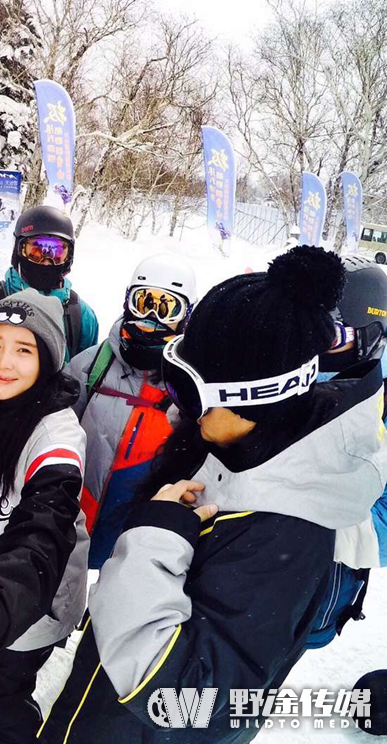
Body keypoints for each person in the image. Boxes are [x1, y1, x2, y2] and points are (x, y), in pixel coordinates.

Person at [38, 246, 387, 744]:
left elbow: (184, 701)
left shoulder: (283, 532)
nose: (174, 405)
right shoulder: (230, 455)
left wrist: (153, 544)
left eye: (187, 391)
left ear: (250, 399)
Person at [0, 288, 88, 743]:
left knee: (2, 696)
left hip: (27, 609)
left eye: (23, 349)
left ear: (47, 359)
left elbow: (41, 536)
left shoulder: (56, 437)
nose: (3, 364)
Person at [66, 253, 197, 567]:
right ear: (128, 302)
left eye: (167, 308)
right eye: (144, 302)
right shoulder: (92, 364)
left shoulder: (190, 382)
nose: (151, 316)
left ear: (185, 316)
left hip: (133, 532)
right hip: (72, 520)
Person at [306, 254, 387, 649]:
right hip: (240, 576)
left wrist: (319, 521)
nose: (313, 344)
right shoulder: (285, 371)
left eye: (332, 334)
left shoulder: (379, 405)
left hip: (318, 585)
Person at [0, 205, 98, 363]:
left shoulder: (80, 315)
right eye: (36, 251)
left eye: (57, 252)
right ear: (18, 251)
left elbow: (84, 376)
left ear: (69, 257)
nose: (47, 261)